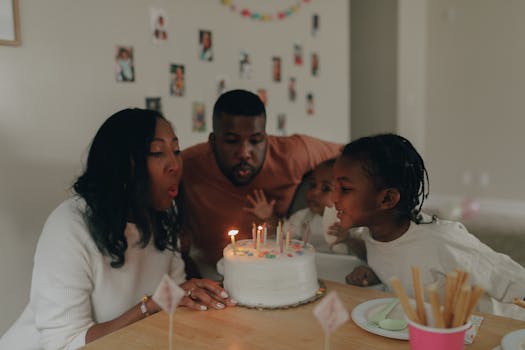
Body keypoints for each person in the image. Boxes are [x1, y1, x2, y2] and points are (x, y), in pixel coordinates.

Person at [0, 109, 235, 349]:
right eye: (157, 153)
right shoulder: (70, 225)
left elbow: (170, 298)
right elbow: (65, 342)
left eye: (176, 151)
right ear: (122, 165)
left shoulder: (163, 217)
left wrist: (190, 295)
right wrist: (149, 306)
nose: (174, 165)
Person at [333, 133, 525, 320]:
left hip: (491, 329)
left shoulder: (442, 242)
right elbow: (391, 260)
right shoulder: (371, 233)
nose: (334, 198)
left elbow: (507, 276)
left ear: (387, 199)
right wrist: (372, 272)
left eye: (345, 189)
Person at [180, 89, 341, 279]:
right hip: (211, 272)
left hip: (278, 271)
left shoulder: (292, 154)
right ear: (213, 142)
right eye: (232, 141)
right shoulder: (188, 165)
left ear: (266, 138)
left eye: (255, 140)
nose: (245, 152)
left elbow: (356, 158)